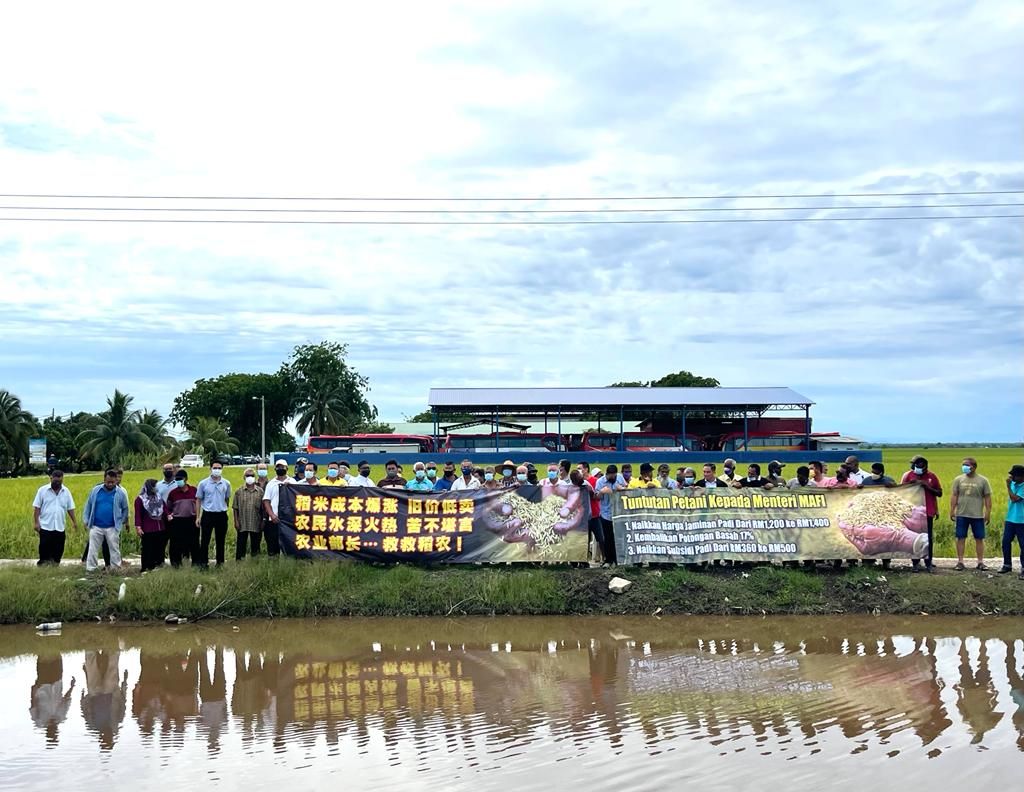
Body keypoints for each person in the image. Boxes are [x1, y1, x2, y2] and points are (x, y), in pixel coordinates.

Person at [950, 457, 992, 571]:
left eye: (967, 465)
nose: (964, 467)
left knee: (979, 538)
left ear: (973, 467)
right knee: (960, 537)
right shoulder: (958, 479)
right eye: (963, 464)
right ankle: (960, 561)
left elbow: (987, 497)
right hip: (962, 514)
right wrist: (952, 509)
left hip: (977, 515)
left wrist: (988, 512)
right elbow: (954, 495)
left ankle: (980, 562)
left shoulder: (983, 480)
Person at [901, 455, 942, 572]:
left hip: (927, 512)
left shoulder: (931, 477)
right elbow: (901, 492)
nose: (915, 468)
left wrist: (927, 486)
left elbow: (939, 493)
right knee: (914, 538)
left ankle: (928, 562)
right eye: (914, 465)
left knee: (927, 538)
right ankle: (915, 563)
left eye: (918, 466)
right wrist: (910, 485)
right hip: (912, 514)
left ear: (924, 466)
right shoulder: (908, 475)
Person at [83, 469, 129, 572]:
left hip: (112, 526)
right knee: (93, 548)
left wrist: (121, 521)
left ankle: (115, 568)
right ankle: (91, 568)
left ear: (116, 481)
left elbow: (125, 508)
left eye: (113, 482)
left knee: (114, 549)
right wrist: (86, 520)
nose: (110, 484)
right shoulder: (95, 490)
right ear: (104, 479)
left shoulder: (120, 493)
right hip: (96, 526)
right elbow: (88, 505)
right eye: (108, 482)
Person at [32, 469, 78, 565]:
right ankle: (43, 567)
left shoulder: (66, 492)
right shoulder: (42, 490)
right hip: (46, 526)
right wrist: (36, 523)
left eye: (59, 481)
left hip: (60, 526)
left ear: (62, 480)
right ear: (51, 478)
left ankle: (55, 567)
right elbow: (37, 508)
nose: (57, 483)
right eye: (55, 481)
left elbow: (70, 508)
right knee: (44, 549)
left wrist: (74, 522)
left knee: (58, 550)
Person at [195, 461, 233, 568]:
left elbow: (227, 498)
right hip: (208, 514)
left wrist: (224, 509)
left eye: (219, 468)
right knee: (205, 540)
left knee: (220, 540)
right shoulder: (203, 483)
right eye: (215, 467)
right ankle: (203, 563)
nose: (217, 470)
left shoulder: (226, 483)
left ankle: (220, 563)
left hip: (221, 515)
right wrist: (198, 517)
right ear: (210, 468)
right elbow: (198, 499)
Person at [261, 462, 295, 556]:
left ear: (287, 468)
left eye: (282, 467)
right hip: (274, 519)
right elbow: (266, 501)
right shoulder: (271, 484)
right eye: (278, 467)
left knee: (289, 544)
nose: (280, 468)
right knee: (273, 545)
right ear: (275, 469)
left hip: (289, 520)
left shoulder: (292, 482)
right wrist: (271, 515)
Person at [134, 479, 168, 572]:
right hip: (147, 528)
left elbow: (164, 508)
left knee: (160, 548)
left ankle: (159, 565)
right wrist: (138, 527)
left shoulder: (159, 497)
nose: (156, 488)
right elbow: (138, 514)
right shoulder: (140, 499)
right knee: (147, 549)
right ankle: (146, 568)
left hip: (160, 527)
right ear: (150, 487)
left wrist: (168, 515)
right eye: (155, 486)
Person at [166, 470, 199, 567]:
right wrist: (169, 515)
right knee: (175, 544)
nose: (178, 481)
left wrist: (198, 517)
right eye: (176, 479)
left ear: (186, 479)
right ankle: (176, 564)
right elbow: (168, 507)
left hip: (192, 520)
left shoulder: (194, 491)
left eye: (180, 479)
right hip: (177, 521)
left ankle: (196, 564)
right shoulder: (173, 493)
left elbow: (199, 504)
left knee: (194, 543)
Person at [595, 464, 626, 565]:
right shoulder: (600, 481)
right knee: (607, 538)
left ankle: (618, 560)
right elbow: (596, 498)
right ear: (606, 474)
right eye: (610, 476)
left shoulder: (620, 478)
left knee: (618, 537)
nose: (612, 478)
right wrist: (602, 492)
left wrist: (621, 489)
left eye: (614, 475)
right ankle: (608, 559)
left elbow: (627, 491)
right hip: (606, 513)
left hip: (618, 513)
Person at [233, 468, 264, 560]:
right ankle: (239, 562)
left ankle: (255, 562)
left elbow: (263, 509)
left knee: (256, 545)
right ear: (244, 477)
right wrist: (236, 521)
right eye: (247, 475)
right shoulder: (239, 491)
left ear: (255, 477)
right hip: (243, 522)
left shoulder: (260, 491)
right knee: (241, 544)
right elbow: (235, 508)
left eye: (252, 476)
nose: (250, 477)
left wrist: (263, 521)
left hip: (256, 522)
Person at [1000, 464, 1024, 578]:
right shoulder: (1014, 484)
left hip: (1022, 520)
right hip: (1011, 519)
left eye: (1014, 476)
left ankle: (1023, 568)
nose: (1011, 477)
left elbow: (1014, 499)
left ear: (1021, 476)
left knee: (1023, 545)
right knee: (1005, 542)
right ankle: (1007, 564)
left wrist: (1008, 487)